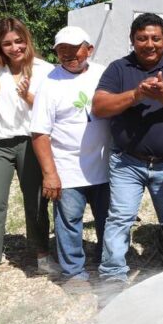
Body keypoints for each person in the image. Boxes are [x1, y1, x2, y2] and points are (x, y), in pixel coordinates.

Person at [93, 13, 163, 282]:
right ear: (132, 40)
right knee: (120, 218)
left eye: (155, 38)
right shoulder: (119, 68)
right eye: (142, 38)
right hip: (127, 162)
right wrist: (136, 94)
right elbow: (99, 106)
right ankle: (113, 276)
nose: (149, 44)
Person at [0, 18, 54, 300]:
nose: (14, 47)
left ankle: (42, 255)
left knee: (37, 200)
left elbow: (50, 111)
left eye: (19, 41)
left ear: (27, 40)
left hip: (32, 142)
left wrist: (28, 96)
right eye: (7, 43)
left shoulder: (45, 70)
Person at [30, 26, 111, 285]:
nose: (68, 55)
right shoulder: (50, 84)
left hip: (105, 166)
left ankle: (109, 265)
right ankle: (74, 273)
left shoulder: (104, 74)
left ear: (89, 49)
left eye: (74, 49)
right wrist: (50, 174)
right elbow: (40, 133)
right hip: (68, 167)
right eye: (61, 50)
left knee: (109, 219)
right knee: (68, 223)